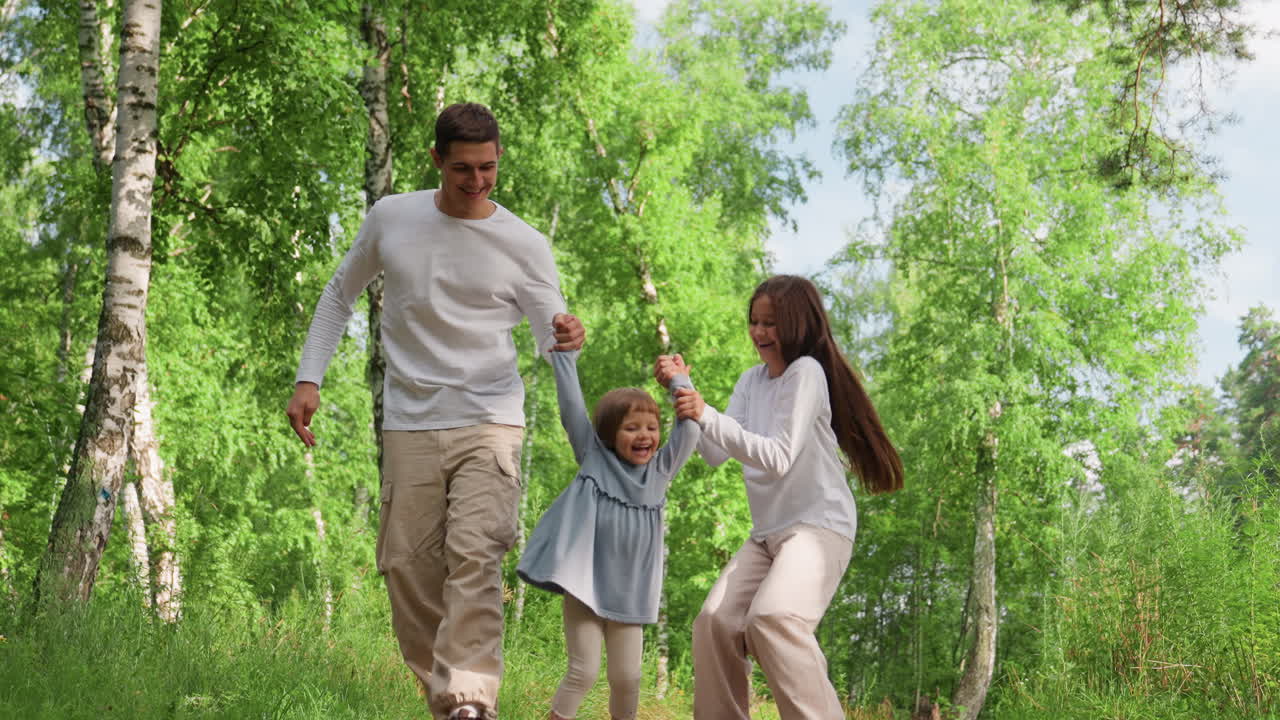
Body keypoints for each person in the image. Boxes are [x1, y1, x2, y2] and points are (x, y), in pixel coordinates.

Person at [285, 102, 585, 720]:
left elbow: (550, 335)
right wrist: (308, 378)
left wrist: (569, 334)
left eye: (489, 169)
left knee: (477, 556)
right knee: (407, 569)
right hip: (410, 421)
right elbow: (338, 296)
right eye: (463, 170)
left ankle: (471, 700)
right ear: (436, 162)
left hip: (490, 420)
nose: (477, 183)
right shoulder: (392, 219)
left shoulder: (524, 244)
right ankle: (445, 701)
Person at [654, 274, 904, 720]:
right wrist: (683, 390)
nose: (759, 333)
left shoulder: (805, 373)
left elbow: (778, 456)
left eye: (770, 323)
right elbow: (713, 451)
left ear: (797, 324)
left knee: (773, 618)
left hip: (818, 527)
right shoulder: (752, 381)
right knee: (714, 623)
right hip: (768, 536)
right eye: (754, 322)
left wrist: (706, 411)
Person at [516, 348, 701, 720]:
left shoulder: (660, 471)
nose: (644, 435)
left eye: (651, 427)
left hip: (630, 594)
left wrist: (680, 382)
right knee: (583, 672)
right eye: (631, 428)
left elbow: (691, 428)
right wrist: (566, 357)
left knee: (628, 677)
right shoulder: (593, 457)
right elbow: (571, 407)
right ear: (609, 434)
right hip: (584, 587)